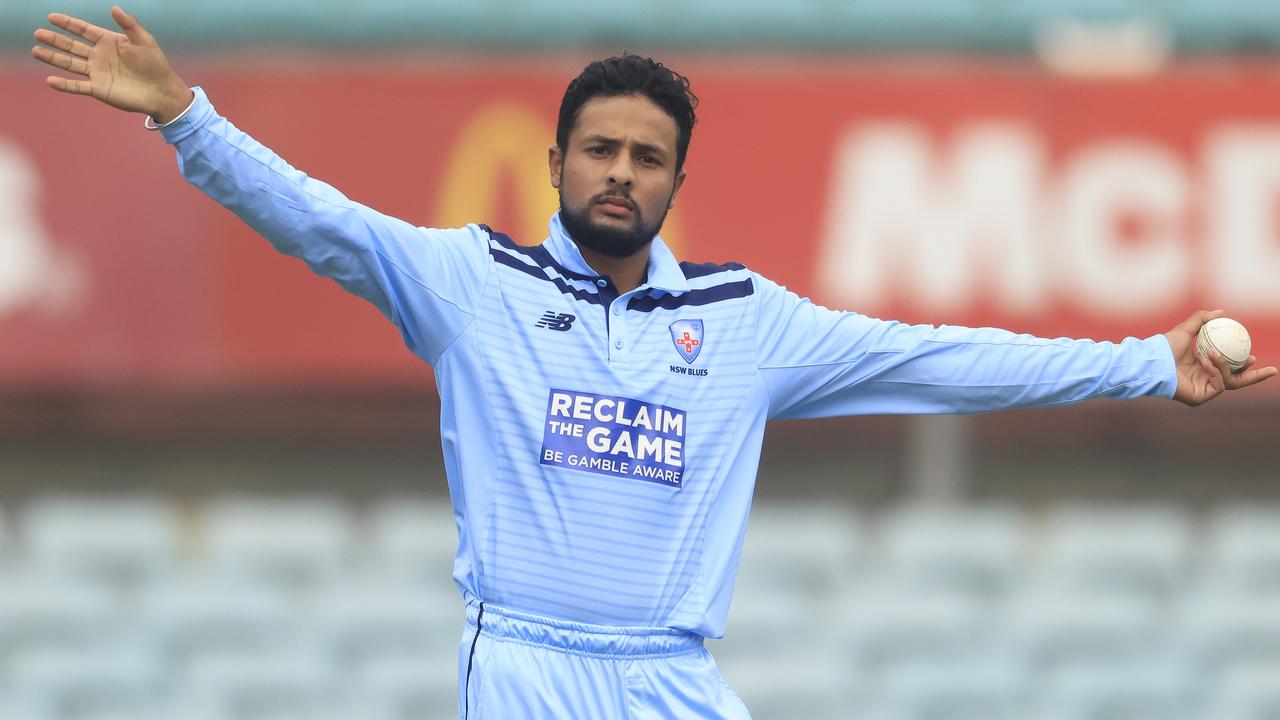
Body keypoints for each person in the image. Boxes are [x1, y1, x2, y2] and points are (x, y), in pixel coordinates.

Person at [31, 7, 1276, 719]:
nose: (618, 172)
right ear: (558, 163)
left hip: (673, 679)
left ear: (679, 179)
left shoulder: (744, 322)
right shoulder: (475, 285)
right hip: (521, 663)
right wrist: (183, 115)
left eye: (644, 156)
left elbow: (940, 358)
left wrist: (1136, 364)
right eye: (597, 150)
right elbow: (316, 217)